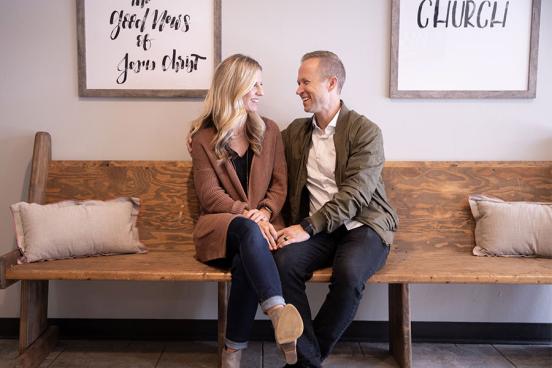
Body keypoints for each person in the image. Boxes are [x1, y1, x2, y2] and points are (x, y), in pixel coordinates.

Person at [274, 51, 399, 368]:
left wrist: (307, 227)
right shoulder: (296, 134)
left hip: (364, 227)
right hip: (319, 231)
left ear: (331, 83)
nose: (298, 89)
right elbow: (259, 147)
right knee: (283, 262)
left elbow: (355, 195)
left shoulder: (366, 132)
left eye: (305, 81)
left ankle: (305, 361)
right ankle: (309, 359)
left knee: (350, 274)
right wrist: (204, 130)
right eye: (298, 82)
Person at [189, 54, 303, 368]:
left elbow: (280, 184)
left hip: (261, 233)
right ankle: (279, 314)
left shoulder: (270, 131)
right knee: (246, 230)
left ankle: (232, 352)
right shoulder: (203, 139)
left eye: (260, 84)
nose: (261, 92)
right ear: (233, 87)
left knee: (245, 264)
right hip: (221, 230)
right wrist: (248, 214)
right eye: (255, 84)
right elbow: (210, 196)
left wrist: (264, 211)